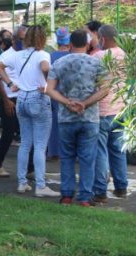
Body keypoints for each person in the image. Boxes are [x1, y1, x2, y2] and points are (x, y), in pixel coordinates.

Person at [47, 29, 106, 207]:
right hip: (89, 117)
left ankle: (66, 195)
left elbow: (49, 89)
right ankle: (85, 197)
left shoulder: (59, 63)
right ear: (87, 44)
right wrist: (85, 104)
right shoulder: (97, 64)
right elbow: (105, 89)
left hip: (66, 117)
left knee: (67, 157)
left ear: (70, 44)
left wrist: (67, 102)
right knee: (88, 159)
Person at [0, 25, 55, 197]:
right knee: (39, 146)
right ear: (43, 39)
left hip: (21, 99)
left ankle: (22, 182)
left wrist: (9, 84)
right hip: (38, 99)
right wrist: (48, 85)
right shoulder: (43, 54)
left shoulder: (18, 55)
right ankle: (41, 185)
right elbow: (45, 68)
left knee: (25, 143)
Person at [91, 24, 129, 201]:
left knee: (100, 151)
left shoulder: (98, 56)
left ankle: (100, 190)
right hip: (121, 110)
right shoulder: (125, 55)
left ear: (102, 39)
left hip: (102, 110)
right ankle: (121, 187)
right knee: (118, 151)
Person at [0, 26, 34, 178]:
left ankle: (31, 169)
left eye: (27, 39)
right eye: (22, 39)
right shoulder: (5, 56)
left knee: (29, 134)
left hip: (25, 98)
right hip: (10, 99)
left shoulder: (28, 54)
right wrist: (6, 100)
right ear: (14, 39)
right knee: (9, 133)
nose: (25, 42)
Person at [46, 26, 73, 160]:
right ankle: (68, 152)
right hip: (70, 94)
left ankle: (53, 151)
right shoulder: (73, 56)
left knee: (54, 123)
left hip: (54, 93)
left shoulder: (51, 56)